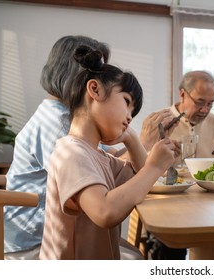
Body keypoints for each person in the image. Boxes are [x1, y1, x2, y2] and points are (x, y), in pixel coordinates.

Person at [39, 45, 175, 259]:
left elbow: (142, 177)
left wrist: (130, 138)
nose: (130, 117)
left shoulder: (100, 157)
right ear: (95, 90)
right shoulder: (70, 151)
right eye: (127, 103)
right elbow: (105, 212)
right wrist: (155, 166)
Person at [3, 36, 110, 259]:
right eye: (97, 75)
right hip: (33, 243)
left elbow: (96, 158)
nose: (101, 84)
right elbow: (93, 172)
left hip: (39, 235)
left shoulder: (57, 115)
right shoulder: (58, 124)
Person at [139, 70, 214, 260]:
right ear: (183, 94)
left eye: (211, 104)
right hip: (168, 205)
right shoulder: (160, 121)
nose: (205, 109)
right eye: (200, 102)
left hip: (208, 206)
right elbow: (141, 166)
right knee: (168, 248)